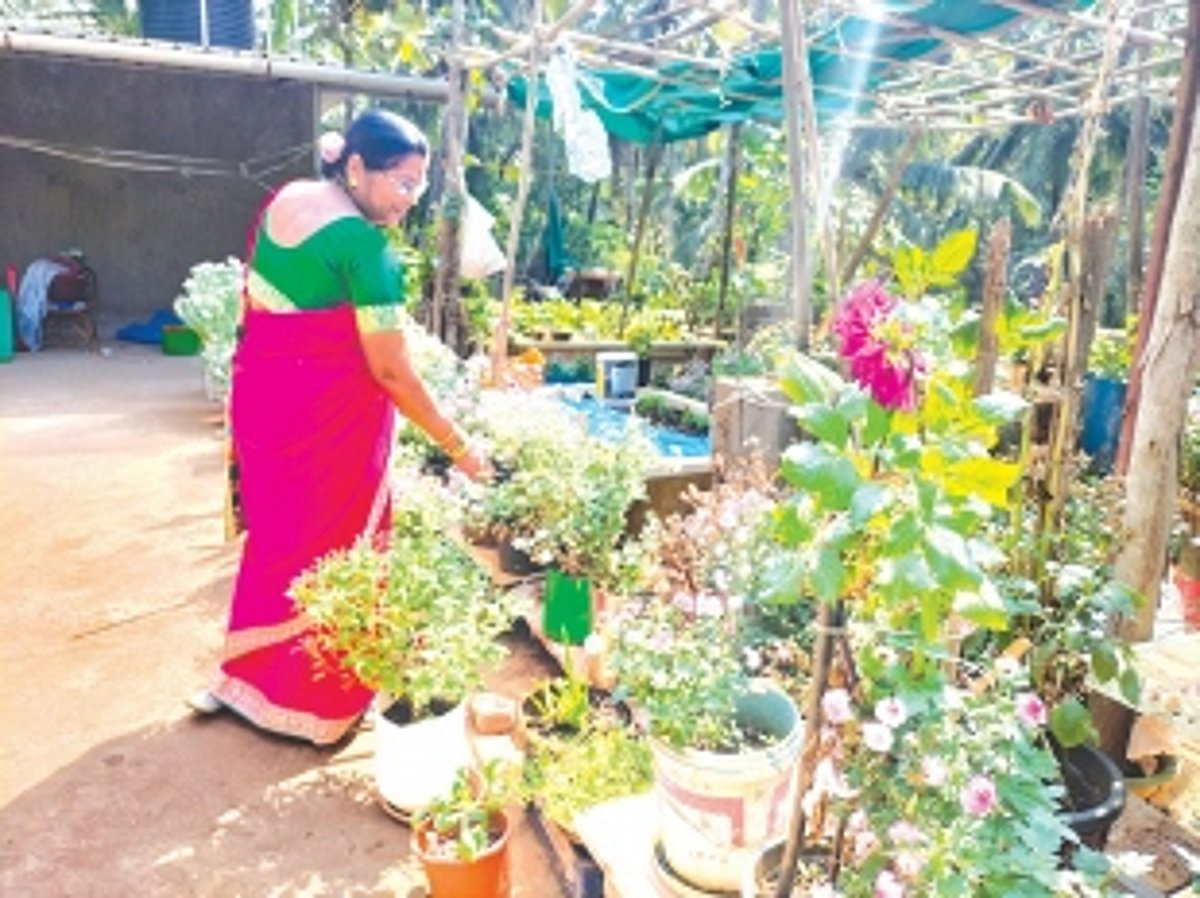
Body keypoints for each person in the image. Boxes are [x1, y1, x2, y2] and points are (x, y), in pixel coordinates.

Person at [188, 109, 489, 745]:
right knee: (336, 549)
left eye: (417, 185)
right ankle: (317, 708)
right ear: (355, 167)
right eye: (398, 183)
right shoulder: (365, 248)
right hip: (326, 429)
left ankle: (240, 680)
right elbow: (391, 372)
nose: (408, 201)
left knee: (274, 541)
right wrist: (460, 450)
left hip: (265, 407)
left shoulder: (287, 198)